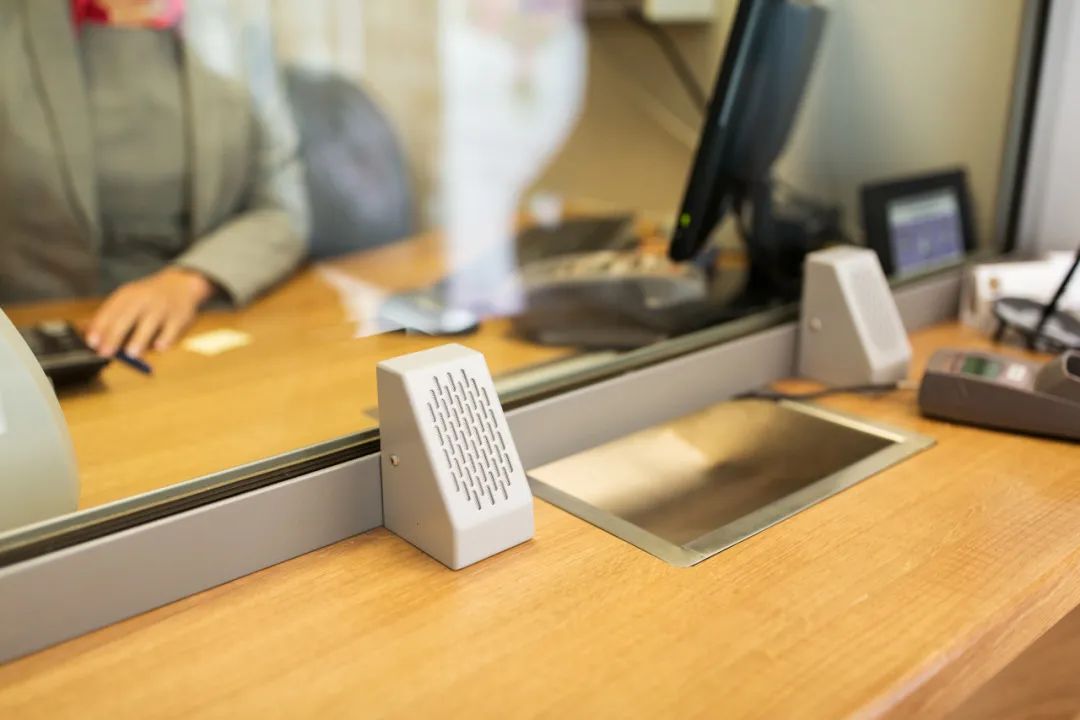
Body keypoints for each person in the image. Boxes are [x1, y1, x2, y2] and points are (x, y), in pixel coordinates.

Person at [0, 0, 308, 358]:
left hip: (191, 334)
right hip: (36, 343)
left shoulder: (237, 23)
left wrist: (188, 282)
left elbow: (281, 210)